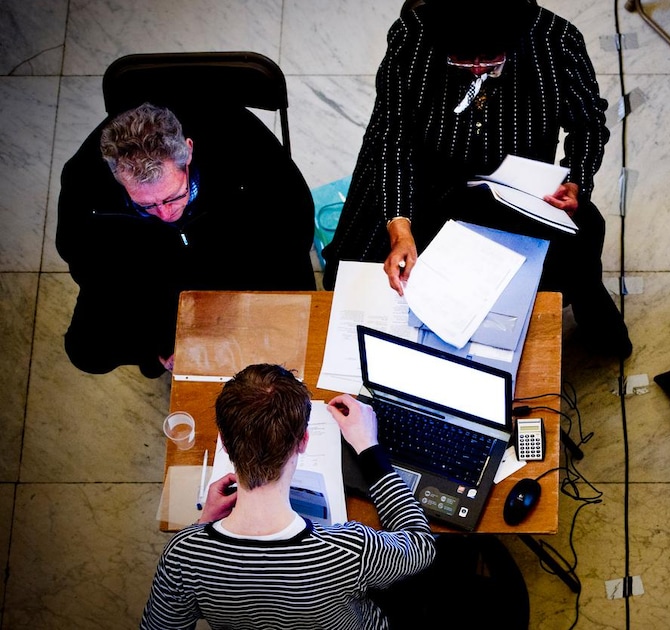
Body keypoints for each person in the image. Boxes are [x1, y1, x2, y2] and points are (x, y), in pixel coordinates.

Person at [321, 0, 631, 358]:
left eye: (491, 60)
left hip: (514, 190)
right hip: (424, 183)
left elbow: (588, 122)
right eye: (463, 60)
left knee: (580, 240)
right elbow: (392, 137)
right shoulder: (411, 36)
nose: (477, 70)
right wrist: (400, 228)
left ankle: (588, 313)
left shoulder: (557, 40)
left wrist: (576, 180)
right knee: (365, 286)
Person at [140, 364, 436, 629]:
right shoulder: (351, 550)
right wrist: (369, 449)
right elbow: (422, 548)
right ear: (304, 441)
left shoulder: (183, 556)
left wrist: (202, 524)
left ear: (225, 446)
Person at [57, 102, 316, 378]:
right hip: (150, 267)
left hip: (236, 252)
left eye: (174, 196)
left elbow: (295, 224)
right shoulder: (82, 178)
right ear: (117, 175)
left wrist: (242, 305)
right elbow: (81, 259)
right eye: (146, 205)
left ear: (188, 151)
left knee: (301, 331)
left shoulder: (243, 143)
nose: (165, 214)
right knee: (87, 350)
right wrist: (159, 343)